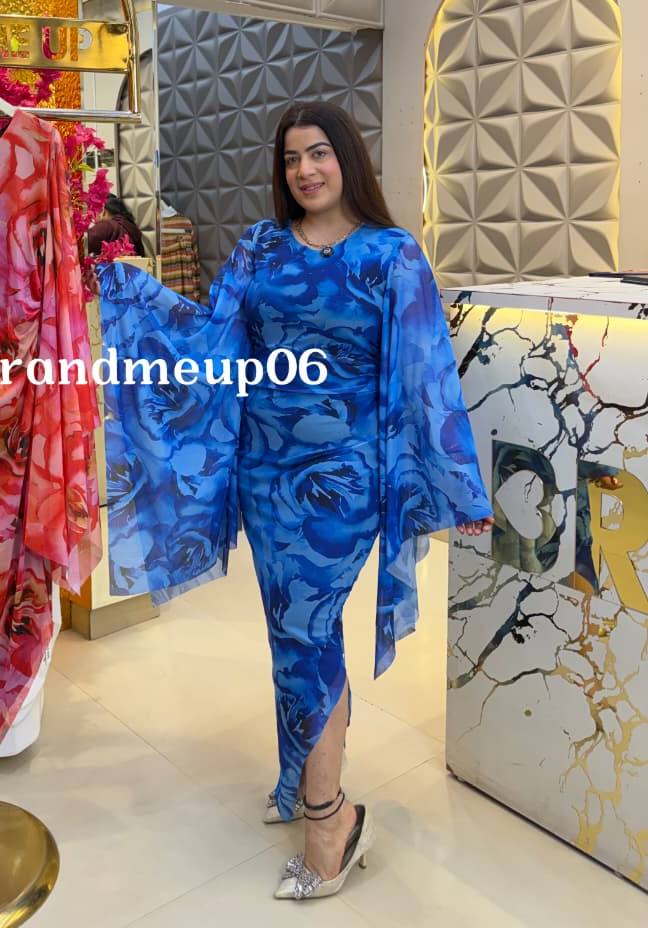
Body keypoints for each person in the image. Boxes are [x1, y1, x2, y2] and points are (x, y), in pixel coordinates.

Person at [94, 102, 494, 901]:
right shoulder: (260, 245)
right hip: (265, 476)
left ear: (347, 158)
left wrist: (458, 482)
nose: (304, 170)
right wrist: (121, 291)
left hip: (342, 483)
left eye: (318, 154)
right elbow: (209, 338)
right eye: (290, 159)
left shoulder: (390, 254)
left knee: (308, 638)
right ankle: (297, 780)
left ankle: (330, 820)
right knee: (290, 634)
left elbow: (426, 369)